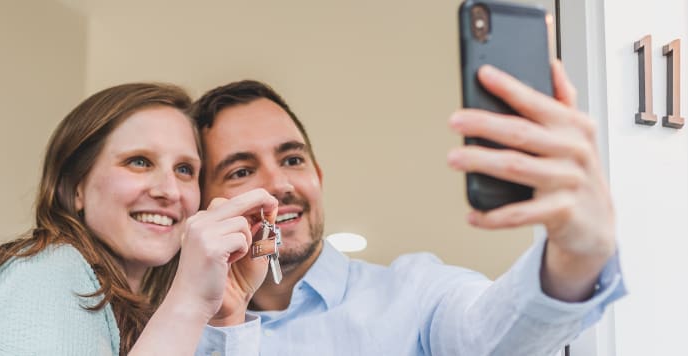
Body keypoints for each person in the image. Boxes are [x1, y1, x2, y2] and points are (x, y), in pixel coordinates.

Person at [189, 61, 626, 355]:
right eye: (241, 171)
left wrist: (573, 257)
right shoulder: (174, 331)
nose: (280, 185)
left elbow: (490, 334)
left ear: (318, 175)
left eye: (292, 160)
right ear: (205, 204)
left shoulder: (416, 293)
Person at [0, 83, 278, 356]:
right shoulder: (47, 271)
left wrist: (227, 311)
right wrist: (189, 300)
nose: (169, 190)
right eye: (139, 162)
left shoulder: (140, 314)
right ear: (75, 186)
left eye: (185, 169)